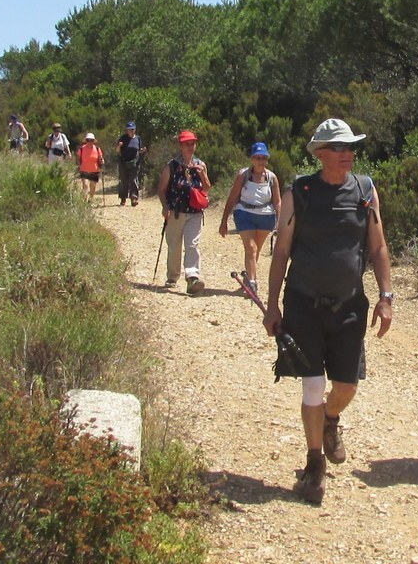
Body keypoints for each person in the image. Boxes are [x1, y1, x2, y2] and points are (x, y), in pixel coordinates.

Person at [265, 118, 393, 506]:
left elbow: (378, 246)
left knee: (347, 387)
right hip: (303, 303)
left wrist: (386, 296)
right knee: (312, 384)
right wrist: (272, 305)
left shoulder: (366, 190)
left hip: (349, 305)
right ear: (320, 153)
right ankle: (314, 461)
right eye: (339, 148)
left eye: (351, 146)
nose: (347, 153)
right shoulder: (299, 192)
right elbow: (282, 251)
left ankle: (330, 419)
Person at [219, 142, 282, 293]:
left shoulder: (271, 178)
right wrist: (224, 221)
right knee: (251, 248)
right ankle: (253, 282)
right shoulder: (243, 175)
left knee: (255, 250)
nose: (261, 161)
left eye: (263, 158)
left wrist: (280, 223)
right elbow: (233, 197)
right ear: (252, 159)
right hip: (244, 214)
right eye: (258, 157)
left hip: (266, 216)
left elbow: (277, 201)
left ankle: (249, 278)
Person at [157, 130, 211, 295]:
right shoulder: (172, 166)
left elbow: (207, 188)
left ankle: (192, 277)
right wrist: (165, 207)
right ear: (180, 146)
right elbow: (161, 188)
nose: (190, 146)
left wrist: (202, 174)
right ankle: (173, 276)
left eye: (193, 143)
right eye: (187, 144)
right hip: (176, 212)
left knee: (192, 245)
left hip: (195, 212)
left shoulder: (200, 164)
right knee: (174, 246)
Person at [115, 122, 147, 206]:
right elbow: (117, 151)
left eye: (132, 129)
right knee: (124, 180)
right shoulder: (123, 138)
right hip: (124, 162)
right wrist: (119, 146)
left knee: (133, 180)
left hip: (134, 163)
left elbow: (138, 150)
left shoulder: (138, 138)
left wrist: (142, 150)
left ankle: (134, 198)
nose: (131, 131)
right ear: (127, 130)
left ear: (135, 129)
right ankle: (123, 198)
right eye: (129, 129)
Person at [77, 133, 105, 202]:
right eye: (88, 140)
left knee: (93, 186)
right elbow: (78, 159)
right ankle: (85, 200)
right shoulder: (81, 149)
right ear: (86, 141)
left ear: (93, 141)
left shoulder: (97, 149)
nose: (89, 142)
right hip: (84, 170)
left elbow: (100, 158)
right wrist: (80, 166)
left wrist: (102, 161)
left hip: (95, 170)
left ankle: (90, 200)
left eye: (91, 140)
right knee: (85, 185)